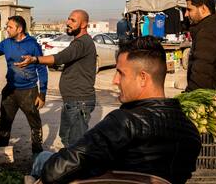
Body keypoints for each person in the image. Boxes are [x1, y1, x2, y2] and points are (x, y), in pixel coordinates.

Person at [32, 36, 202, 184]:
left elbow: (54, 172)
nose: (114, 80)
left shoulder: (123, 122)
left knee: (42, 159)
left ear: (143, 78)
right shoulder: (190, 133)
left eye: (121, 73)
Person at [15, 9, 96, 147]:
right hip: (73, 101)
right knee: (66, 138)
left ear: (84, 24)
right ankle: (70, 166)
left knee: (75, 144)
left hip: (79, 102)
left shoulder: (82, 43)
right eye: (69, 19)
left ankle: (77, 168)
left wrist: (34, 59)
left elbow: (60, 58)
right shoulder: (79, 42)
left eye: (73, 20)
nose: (68, 22)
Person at [0, 16, 48, 155]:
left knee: (35, 124)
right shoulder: (6, 43)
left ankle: (38, 154)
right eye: (7, 26)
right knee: (5, 122)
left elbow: (42, 69)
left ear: (19, 29)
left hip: (29, 91)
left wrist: (42, 94)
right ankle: (0, 151)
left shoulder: (32, 44)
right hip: (10, 90)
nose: (7, 29)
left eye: (10, 27)